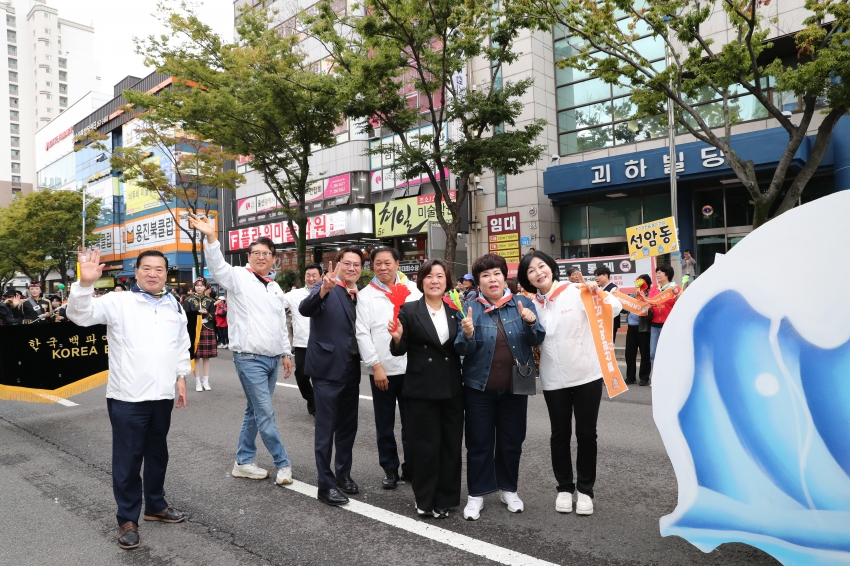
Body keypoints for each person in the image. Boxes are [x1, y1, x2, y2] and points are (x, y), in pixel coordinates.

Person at [67, 249, 190, 550]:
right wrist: (84, 284)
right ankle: (127, 519)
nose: (153, 274)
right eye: (146, 268)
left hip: (162, 396)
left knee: (158, 454)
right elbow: (79, 315)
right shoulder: (118, 301)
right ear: (136, 272)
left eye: (159, 269)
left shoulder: (173, 304)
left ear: (166, 273)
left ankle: (156, 505)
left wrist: (181, 376)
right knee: (128, 460)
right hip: (128, 397)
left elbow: (180, 343)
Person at [189, 214, 295, 487]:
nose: (261, 257)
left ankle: (243, 462)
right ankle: (282, 463)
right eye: (256, 253)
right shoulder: (238, 277)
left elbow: (280, 323)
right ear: (248, 257)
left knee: (254, 411)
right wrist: (211, 237)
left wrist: (286, 353)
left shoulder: (274, 287)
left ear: (273, 258)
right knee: (265, 412)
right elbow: (217, 267)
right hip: (249, 359)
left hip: (272, 359)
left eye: (266, 253)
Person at [519, 251, 621, 516]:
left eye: (542, 266)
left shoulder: (575, 291)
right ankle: (564, 488)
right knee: (559, 435)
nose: (538, 273)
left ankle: (585, 491)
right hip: (553, 379)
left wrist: (597, 292)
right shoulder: (530, 305)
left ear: (551, 267)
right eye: (531, 271)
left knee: (586, 434)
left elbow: (614, 308)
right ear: (527, 278)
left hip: (586, 375)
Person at [455, 253, 545, 521]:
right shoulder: (469, 308)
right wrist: (467, 334)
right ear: (478, 282)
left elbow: (537, 338)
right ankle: (477, 493)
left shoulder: (522, 302)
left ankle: (509, 488)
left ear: (505, 277)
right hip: (478, 387)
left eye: (496, 273)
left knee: (512, 441)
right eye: (485, 275)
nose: (492, 279)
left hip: (516, 386)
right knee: (478, 442)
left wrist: (531, 322)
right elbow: (461, 349)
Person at [389, 259, 463, 518]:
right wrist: (397, 338)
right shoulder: (409, 310)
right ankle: (425, 498)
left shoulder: (455, 309)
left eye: (440, 276)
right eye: (429, 276)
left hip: (452, 387)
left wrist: (470, 333)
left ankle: (445, 499)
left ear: (447, 281)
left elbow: (462, 347)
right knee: (425, 446)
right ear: (421, 281)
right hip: (421, 389)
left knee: (451, 445)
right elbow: (399, 349)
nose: (435, 281)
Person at [299, 248, 364, 507]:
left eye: (356, 264)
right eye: (346, 263)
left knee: (348, 426)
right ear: (336, 265)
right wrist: (324, 289)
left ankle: (343, 475)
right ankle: (325, 485)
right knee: (326, 428)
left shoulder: (360, 294)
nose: (351, 268)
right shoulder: (325, 286)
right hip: (327, 368)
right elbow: (306, 308)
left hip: (352, 368)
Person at [356, 247, 421, 489]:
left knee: (412, 424)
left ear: (397, 264)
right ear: (372, 266)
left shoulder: (413, 290)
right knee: (384, 424)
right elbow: (362, 334)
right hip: (382, 370)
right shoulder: (366, 295)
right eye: (378, 263)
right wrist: (376, 367)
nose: (383, 267)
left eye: (387, 262)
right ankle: (390, 469)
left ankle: (411, 467)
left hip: (411, 370)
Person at [283, 263, 322, 417]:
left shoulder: (328, 292)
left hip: (322, 344)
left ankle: (320, 409)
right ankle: (312, 400)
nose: (311, 278)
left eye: (314, 275)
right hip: (302, 344)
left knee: (321, 378)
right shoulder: (294, 295)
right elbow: (276, 303)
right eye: (308, 275)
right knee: (301, 376)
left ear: (321, 277)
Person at [184, 277, 218, 392]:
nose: (199, 287)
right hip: (194, 329)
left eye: (201, 285)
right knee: (196, 357)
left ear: (205, 287)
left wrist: (207, 313)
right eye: (197, 285)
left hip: (207, 328)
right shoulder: (188, 300)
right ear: (194, 287)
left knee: (206, 357)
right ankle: (197, 382)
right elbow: (185, 316)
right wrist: (197, 312)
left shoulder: (210, 301)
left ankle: (206, 381)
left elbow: (213, 317)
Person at [648, 264, 679, 371]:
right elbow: (649, 302)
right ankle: (656, 375)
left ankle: (668, 374)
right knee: (653, 353)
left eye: (660, 272)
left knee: (668, 351)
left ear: (667, 274)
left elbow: (680, 306)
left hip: (668, 325)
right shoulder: (654, 288)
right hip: (654, 324)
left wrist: (677, 295)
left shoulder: (675, 289)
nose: (657, 275)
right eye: (657, 273)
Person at [624, 274, 653, 386]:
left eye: (640, 283)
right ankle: (630, 377)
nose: (638, 285)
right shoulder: (632, 296)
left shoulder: (650, 297)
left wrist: (646, 303)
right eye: (637, 283)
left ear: (647, 285)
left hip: (643, 328)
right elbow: (623, 308)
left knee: (645, 353)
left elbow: (650, 315)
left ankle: (644, 377)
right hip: (631, 327)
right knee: (629, 353)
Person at [594, 267, 620, 344]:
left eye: (598, 275)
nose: (596, 278)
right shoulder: (597, 288)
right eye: (595, 276)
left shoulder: (613, 289)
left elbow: (614, 306)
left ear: (606, 276)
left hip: (611, 321)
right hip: (600, 321)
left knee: (609, 343)